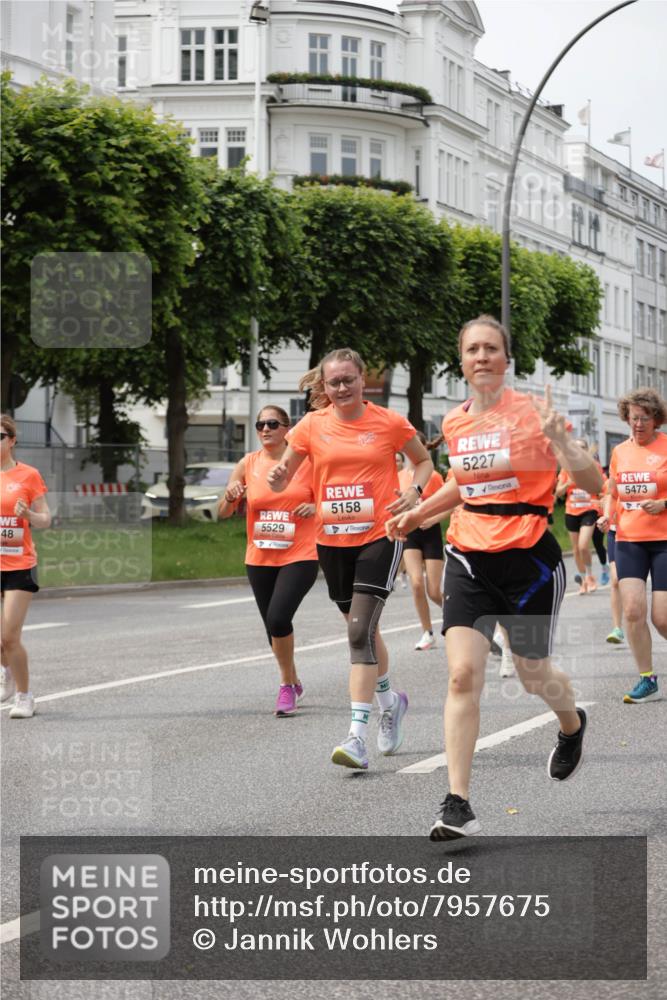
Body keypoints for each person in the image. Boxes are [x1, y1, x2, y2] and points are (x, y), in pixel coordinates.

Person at [387, 315, 602, 839]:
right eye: (471, 350)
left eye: (490, 349)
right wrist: (419, 513)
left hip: (528, 564)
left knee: (532, 673)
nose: (481, 357)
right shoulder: (457, 422)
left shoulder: (535, 414)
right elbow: (465, 481)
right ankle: (457, 802)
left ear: (507, 360)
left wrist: (564, 444)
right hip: (468, 560)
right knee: (462, 675)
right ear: (461, 361)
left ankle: (570, 725)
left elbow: (594, 482)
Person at [267, 348, 433, 770]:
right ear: (323, 386)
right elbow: (287, 467)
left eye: (347, 380)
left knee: (359, 633)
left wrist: (414, 492)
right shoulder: (311, 425)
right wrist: (280, 476)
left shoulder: (388, 422)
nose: (340, 388)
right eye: (332, 382)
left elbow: (424, 461)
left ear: (363, 380)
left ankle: (356, 737)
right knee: (362, 629)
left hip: (381, 533)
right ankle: (390, 701)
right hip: (332, 539)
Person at [218, 406, 319, 717]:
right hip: (260, 556)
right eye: (260, 424)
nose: (264, 429)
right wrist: (232, 495)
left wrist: (314, 508)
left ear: (287, 428)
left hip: (301, 554)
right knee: (271, 628)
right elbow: (222, 512)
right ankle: (293, 678)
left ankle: (286, 687)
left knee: (278, 618)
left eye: (272, 423)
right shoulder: (248, 463)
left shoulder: (307, 463)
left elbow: (328, 498)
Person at [601, 388, 667, 703]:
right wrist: (605, 516)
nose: (638, 424)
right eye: (633, 418)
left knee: (662, 618)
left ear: (656, 419)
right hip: (628, 539)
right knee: (632, 610)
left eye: (644, 418)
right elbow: (612, 492)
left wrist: (664, 502)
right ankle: (647, 677)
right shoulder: (619, 452)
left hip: (664, 540)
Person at [0, 415, 51, 719]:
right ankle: (5, 672)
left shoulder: (28, 475)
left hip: (19, 565)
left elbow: (46, 518)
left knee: (9, 637)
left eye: (0, 435)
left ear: (12, 440)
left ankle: (24, 696)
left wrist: (29, 514)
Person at [397, 432, 444, 650]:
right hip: (411, 533)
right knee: (416, 582)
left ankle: (461, 617)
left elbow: (447, 503)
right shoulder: (399, 476)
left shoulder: (432, 476)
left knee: (433, 590)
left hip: (431, 533)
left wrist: (432, 518)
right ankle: (427, 632)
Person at [555, 440, 606, 594]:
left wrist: (602, 500)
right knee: (576, 549)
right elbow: (558, 493)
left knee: (584, 545)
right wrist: (568, 483)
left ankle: (590, 576)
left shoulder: (593, 467)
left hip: (589, 510)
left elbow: (603, 488)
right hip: (571, 512)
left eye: (582, 448)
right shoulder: (566, 469)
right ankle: (583, 580)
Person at [597, 480, 624, 644]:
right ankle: (617, 629)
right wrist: (605, 515)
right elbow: (608, 496)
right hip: (615, 533)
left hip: (642, 535)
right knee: (615, 580)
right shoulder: (612, 479)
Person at [393, 453, 409, 590]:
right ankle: (398, 573)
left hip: (405, 516)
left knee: (403, 548)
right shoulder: (387, 473)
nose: (395, 463)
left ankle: (401, 573)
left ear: (403, 462)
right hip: (390, 516)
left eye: (398, 460)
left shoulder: (407, 476)